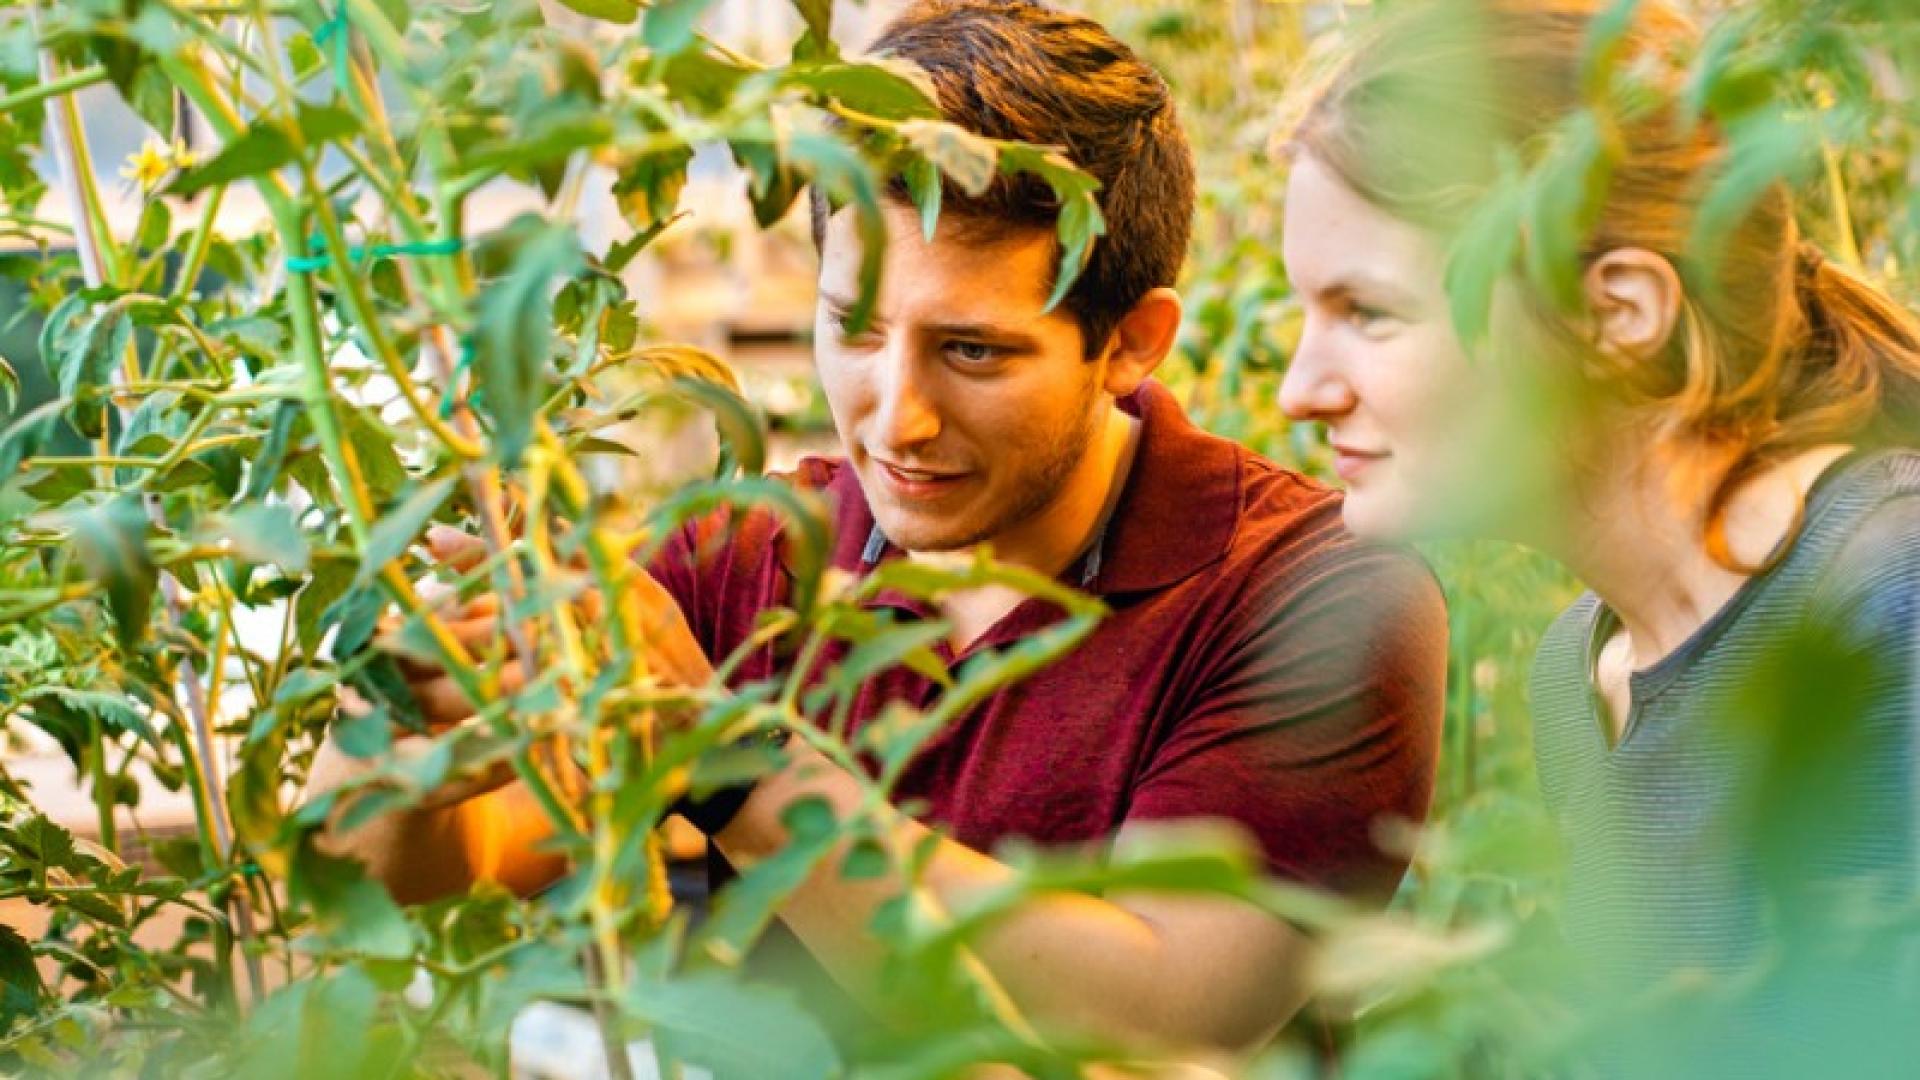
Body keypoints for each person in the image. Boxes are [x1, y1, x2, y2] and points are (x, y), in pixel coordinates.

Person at [324, 0, 1447, 1060]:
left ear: (1131, 343)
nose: (896, 418)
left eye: (974, 351)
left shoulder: (1314, 597)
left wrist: (728, 761)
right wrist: (413, 744)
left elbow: (1161, 1024)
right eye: (852, 330)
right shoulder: (750, 555)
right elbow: (451, 870)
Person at [1275, 0, 1920, 1070]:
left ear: (1619, 314)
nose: (1303, 387)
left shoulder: (1886, 605)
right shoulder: (1578, 672)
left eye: (1370, 313)